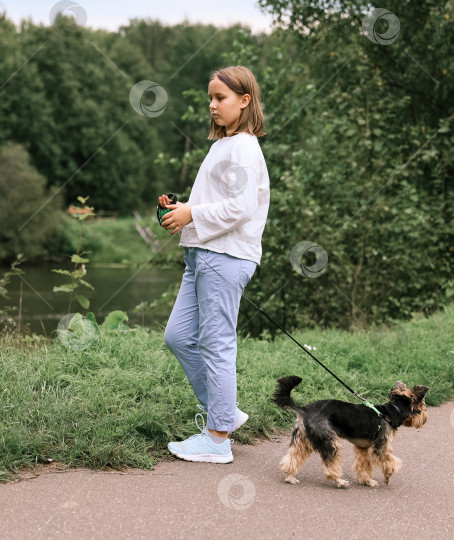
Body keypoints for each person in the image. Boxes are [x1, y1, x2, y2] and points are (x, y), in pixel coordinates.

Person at [159, 65, 270, 464]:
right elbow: (216, 200)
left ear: (245, 101)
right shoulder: (224, 145)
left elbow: (240, 208)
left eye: (220, 98)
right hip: (202, 257)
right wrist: (183, 210)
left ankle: (218, 438)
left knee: (217, 344)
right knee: (178, 336)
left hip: (224, 258)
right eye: (210, 98)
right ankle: (227, 412)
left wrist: (191, 215)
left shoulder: (242, 147)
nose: (212, 105)